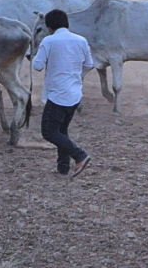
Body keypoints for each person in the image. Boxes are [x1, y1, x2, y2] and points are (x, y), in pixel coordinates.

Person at [32, 9, 94, 178]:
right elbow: (89, 64)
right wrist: (77, 76)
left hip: (57, 95)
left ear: (49, 26)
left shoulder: (49, 41)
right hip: (75, 94)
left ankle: (80, 155)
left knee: (49, 132)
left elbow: (37, 66)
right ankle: (63, 168)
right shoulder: (81, 40)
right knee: (61, 130)